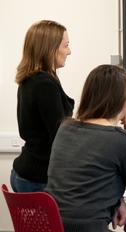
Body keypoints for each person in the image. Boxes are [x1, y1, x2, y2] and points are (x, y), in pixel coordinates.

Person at [45, 65, 126, 231]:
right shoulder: (122, 140)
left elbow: (82, 181)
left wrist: (117, 200)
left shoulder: (65, 129)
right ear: (122, 97)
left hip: (52, 225)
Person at [11, 20, 75, 192]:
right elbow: (60, 136)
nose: (69, 51)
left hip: (25, 171)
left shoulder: (30, 79)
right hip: (38, 178)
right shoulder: (45, 83)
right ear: (50, 49)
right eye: (66, 46)